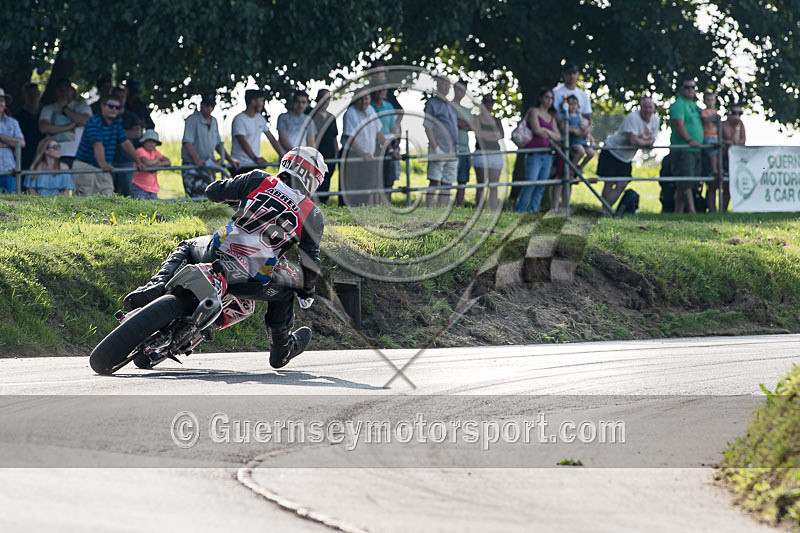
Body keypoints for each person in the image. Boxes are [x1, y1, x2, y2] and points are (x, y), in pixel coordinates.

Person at [123, 147, 327, 368]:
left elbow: (213, 191)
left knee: (187, 246)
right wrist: (306, 294)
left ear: (286, 164)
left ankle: (156, 285)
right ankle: (281, 349)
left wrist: (236, 200)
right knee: (286, 293)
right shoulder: (312, 214)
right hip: (249, 279)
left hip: (216, 252)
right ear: (313, 178)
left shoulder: (259, 178)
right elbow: (310, 262)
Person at [72, 94, 144, 196]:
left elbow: (125, 143)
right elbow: (97, 145)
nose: (114, 109)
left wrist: (138, 161)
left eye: (117, 107)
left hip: (102, 167)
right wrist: (103, 164)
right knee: (84, 199)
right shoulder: (94, 121)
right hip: (86, 166)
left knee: (108, 195)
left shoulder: (116, 124)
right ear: (103, 106)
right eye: (111, 106)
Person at [598, 96, 659, 210]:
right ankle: (605, 210)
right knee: (609, 183)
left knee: (622, 184)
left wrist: (639, 141)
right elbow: (633, 140)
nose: (647, 110)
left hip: (626, 158)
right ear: (640, 107)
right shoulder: (632, 118)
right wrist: (643, 141)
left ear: (653, 108)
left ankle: (604, 209)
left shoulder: (655, 120)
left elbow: (652, 140)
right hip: (612, 151)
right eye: (645, 107)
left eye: (650, 107)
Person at [181, 93, 240, 198]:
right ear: (201, 105)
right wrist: (197, 160)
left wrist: (230, 159)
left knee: (210, 196)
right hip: (193, 166)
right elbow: (187, 142)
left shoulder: (214, 121)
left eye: (212, 106)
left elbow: (218, 144)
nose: (209, 108)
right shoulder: (192, 120)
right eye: (207, 105)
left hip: (208, 166)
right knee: (194, 197)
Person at [516, 87, 560, 213]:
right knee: (530, 183)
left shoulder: (551, 117)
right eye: (547, 97)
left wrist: (545, 131)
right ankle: (520, 211)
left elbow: (558, 136)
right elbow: (536, 130)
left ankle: (533, 211)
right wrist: (549, 132)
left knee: (540, 186)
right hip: (533, 154)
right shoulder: (533, 111)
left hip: (547, 155)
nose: (549, 100)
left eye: (551, 98)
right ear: (540, 98)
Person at [340, 90, 382, 206]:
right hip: (353, 155)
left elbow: (379, 132)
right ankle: (348, 210)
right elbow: (350, 137)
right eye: (361, 98)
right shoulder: (350, 113)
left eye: (366, 98)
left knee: (366, 185)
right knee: (351, 185)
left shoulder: (371, 110)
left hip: (369, 156)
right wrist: (362, 154)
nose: (364, 101)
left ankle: (361, 209)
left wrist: (390, 148)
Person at [669, 75, 703, 214]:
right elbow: (678, 124)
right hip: (683, 149)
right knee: (685, 181)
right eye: (687, 87)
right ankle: (692, 211)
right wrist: (689, 140)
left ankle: (678, 211)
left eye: (693, 87)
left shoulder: (696, 107)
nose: (690, 90)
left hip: (696, 150)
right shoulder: (678, 105)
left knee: (684, 184)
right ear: (680, 89)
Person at [424, 75, 458, 207]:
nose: (446, 86)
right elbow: (428, 127)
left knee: (448, 182)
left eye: (448, 84)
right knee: (434, 180)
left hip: (453, 149)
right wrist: (435, 147)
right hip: (438, 147)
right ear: (437, 84)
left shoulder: (449, 105)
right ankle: (429, 210)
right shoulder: (432, 104)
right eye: (443, 83)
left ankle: (442, 210)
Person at [38, 78, 91, 164]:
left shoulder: (83, 107)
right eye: (60, 90)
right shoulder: (48, 109)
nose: (63, 92)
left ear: (72, 91)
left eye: (66, 89)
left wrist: (64, 108)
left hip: (78, 155)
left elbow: (86, 121)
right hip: (54, 155)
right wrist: (70, 126)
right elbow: (44, 128)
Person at [231, 89, 283, 173]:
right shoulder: (239, 119)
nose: (263, 104)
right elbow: (242, 141)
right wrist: (255, 158)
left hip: (253, 165)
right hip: (240, 165)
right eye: (261, 101)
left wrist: (282, 156)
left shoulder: (260, 118)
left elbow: (271, 138)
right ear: (253, 101)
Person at [713, 102, 747, 213]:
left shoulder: (740, 125)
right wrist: (727, 142)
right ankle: (713, 211)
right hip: (720, 158)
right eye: (734, 113)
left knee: (728, 186)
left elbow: (743, 140)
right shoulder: (722, 124)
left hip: (733, 160)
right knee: (714, 184)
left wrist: (735, 143)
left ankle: (724, 210)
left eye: (739, 113)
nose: (737, 115)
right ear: (729, 113)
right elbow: (716, 138)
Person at [472, 94, 504, 210]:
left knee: (494, 185)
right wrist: (492, 135)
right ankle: (479, 209)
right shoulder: (477, 118)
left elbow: (501, 135)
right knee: (481, 184)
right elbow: (479, 134)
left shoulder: (496, 119)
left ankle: (493, 209)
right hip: (482, 153)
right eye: (487, 102)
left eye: (491, 102)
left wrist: (487, 135)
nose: (489, 104)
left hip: (495, 153)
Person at [370, 84, 401, 201]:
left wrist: (395, 139)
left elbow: (393, 127)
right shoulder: (370, 107)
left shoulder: (389, 106)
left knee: (389, 177)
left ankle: (387, 203)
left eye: (383, 90)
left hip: (389, 145)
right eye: (379, 90)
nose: (381, 93)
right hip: (374, 146)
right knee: (376, 177)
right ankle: (376, 204)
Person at [111, 86, 142, 196]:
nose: (119, 99)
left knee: (128, 192)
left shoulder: (132, 117)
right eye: (116, 96)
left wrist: (115, 133)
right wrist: (127, 133)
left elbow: (137, 134)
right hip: (109, 159)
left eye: (122, 96)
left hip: (126, 159)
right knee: (108, 192)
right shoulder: (108, 116)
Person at [308, 88, 338, 203]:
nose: (325, 101)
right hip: (314, 155)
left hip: (329, 155)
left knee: (326, 183)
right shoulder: (310, 114)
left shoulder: (331, 117)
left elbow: (334, 137)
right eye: (323, 98)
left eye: (328, 99)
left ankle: (323, 204)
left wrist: (336, 154)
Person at [451, 80, 473, 207]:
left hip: (465, 149)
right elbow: (456, 123)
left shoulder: (467, 110)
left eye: (463, 90)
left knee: (463, 179)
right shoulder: (448, 106)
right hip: (452, 147)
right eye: (459, 89)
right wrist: (462, 123)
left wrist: (461, 123)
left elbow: (472, 126)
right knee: (447, 179)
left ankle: (459, 204)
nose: (461, 92)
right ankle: (443, 206)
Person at [132, 130, 170, 199]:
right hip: (139, 187)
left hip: (153, 188)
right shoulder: (140, 150)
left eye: (154, 142)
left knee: (152, 209)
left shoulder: (155, 152)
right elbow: (147, 163)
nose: (151, 144)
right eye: (149, 141)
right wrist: (156, 160)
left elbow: (168, 162)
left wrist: (157, 164)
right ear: (144, 142)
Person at [0, 88, 25, 193]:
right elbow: (17, 142)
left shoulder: (13, 122)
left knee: (11, 206)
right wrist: (11, 143)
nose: (0, 104)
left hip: (9, 171)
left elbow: (22, 143)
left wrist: (1, 137)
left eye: (2, 101)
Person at [560, 94, 595, 171]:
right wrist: (572, 129)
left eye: (575, 104)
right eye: (570, 104)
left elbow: (584, 126)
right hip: (574, 140)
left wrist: (587, 131)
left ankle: (581, 166)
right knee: (581, 152)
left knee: (591, 153)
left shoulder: (579, 116)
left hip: (582, 139)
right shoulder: (566, 116)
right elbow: (563, 127)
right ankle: (572, 168)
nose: (573, 106)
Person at [14, 82, 43, 171]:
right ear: (24, 96)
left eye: (35, 93)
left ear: (39, 94)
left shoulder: (46, 112)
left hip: (43, 152)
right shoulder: (17, 116)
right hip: (25, 155)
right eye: (29, 94)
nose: (33, 97)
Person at [701, 90, 721, 179]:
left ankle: (720, 170)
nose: (710, 102)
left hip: (716, 136)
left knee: (718, 153)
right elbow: (705, 120)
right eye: (708, 100)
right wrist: (713, 117)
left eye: (712, 100)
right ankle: (714, 170)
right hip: (708, 136)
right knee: (712, 152)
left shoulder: (715, 111)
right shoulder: (704, 112)